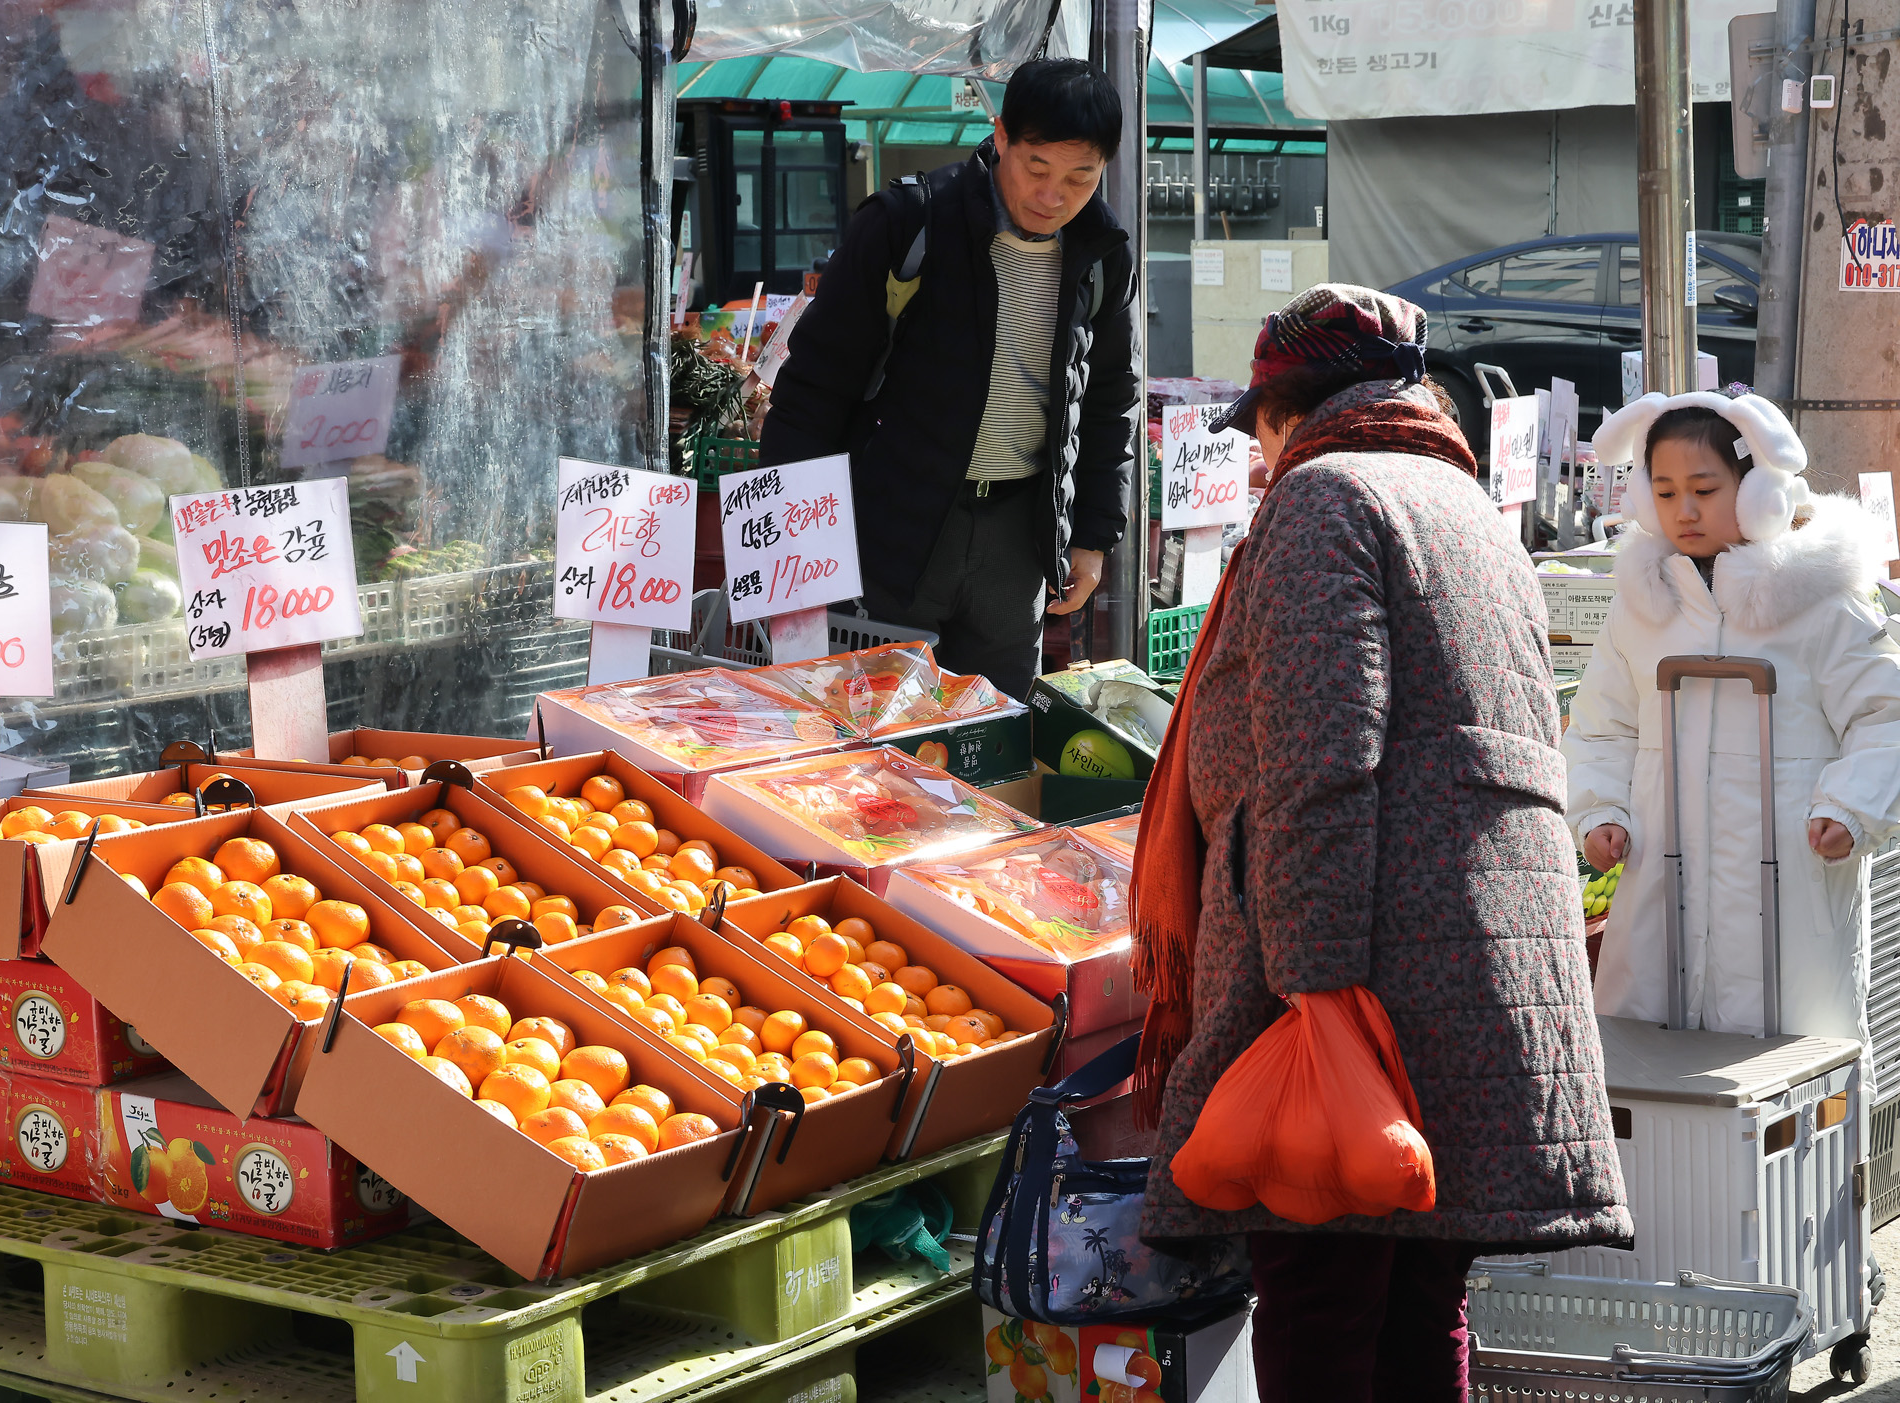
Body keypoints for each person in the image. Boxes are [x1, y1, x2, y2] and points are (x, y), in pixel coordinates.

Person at [1131, 284, 1631, 1402]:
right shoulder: (1461, 502)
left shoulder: (1325, 496)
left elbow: (1320, 763)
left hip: (1362, 981)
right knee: (1415, 1304)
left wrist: (1308, 988)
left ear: (1287, 411)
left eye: (1259, 429)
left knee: (1319, 1301)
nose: (1258, 457)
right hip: (1469, 972)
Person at [758, 58, 1138, 698]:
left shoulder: (1103, 254)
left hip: (1016, 545)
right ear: (1001, 135)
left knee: (994, 730)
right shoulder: (909, 224)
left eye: (1080, 177)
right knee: (874, 732)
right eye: (1037, 168)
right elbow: (814, 386)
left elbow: (1108, 402)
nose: (1053, 196)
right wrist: (785, 541)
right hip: (890, 529)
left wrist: (1094, 536)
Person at [1565, 392, 1900, 1046]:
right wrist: (1600, 809)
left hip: (1793, 892)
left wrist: (1852, 806)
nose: (1684, 511)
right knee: (1655, 1080)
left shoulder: (1824, 605)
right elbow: (1603, 726)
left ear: (1758, 492)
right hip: (1660, 900)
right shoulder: (1640, 609)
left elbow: (1885, 716)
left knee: (1789, 1087)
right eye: (1665, 492)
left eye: (1704, 489)